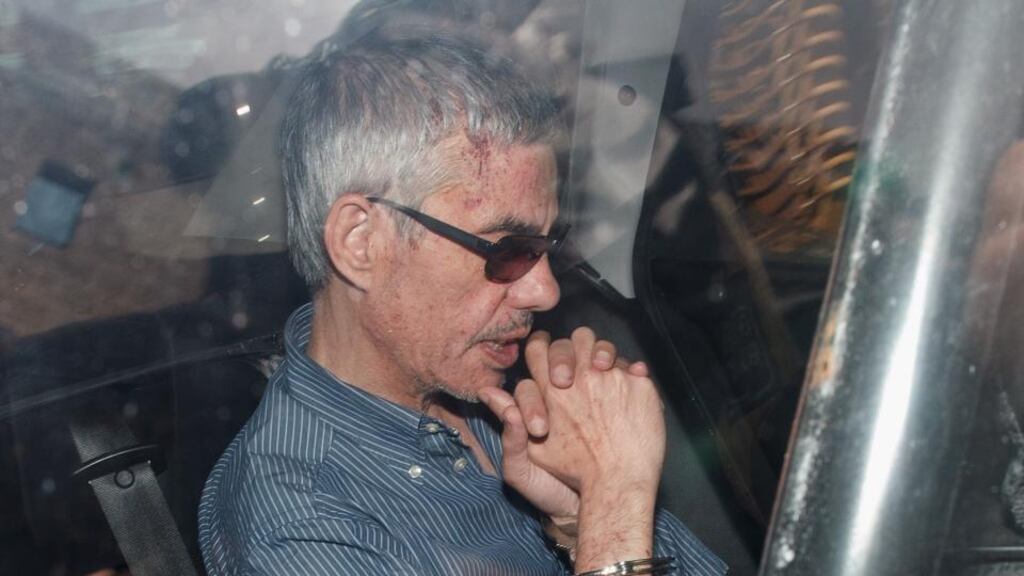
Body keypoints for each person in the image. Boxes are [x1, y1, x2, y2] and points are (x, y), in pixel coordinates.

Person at [198, 29, 726, 576]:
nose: (545, 291)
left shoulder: (495, 400)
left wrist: (577, 521)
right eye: (508, 251)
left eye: (548, 246)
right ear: (361, 242)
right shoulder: (299, 524)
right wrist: (614, 507)